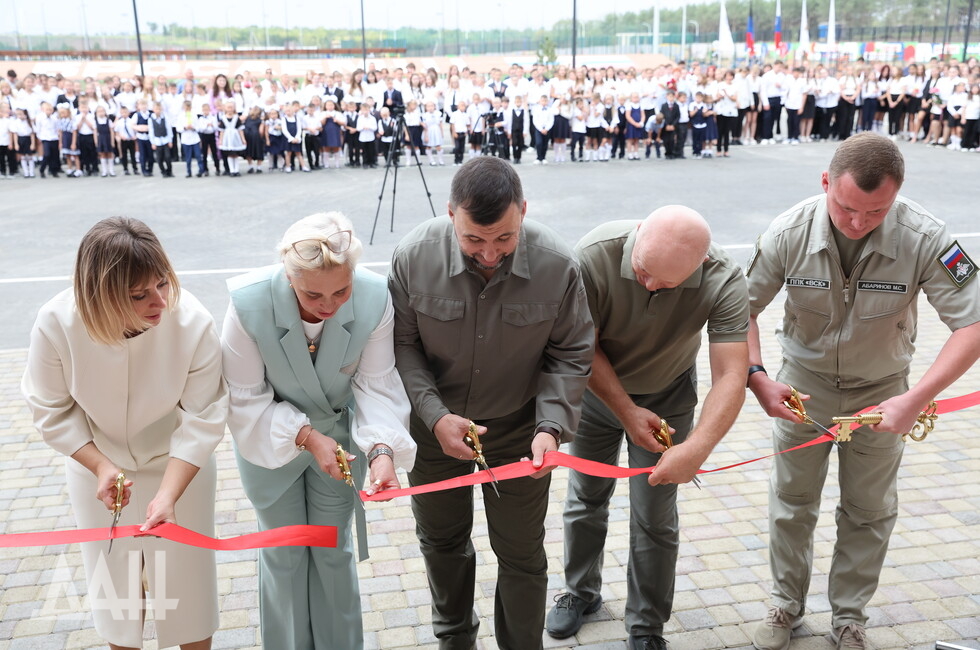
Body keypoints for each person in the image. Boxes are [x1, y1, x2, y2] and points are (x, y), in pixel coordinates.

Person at [746, 132, 980, 650]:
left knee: (869, 510)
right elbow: (739, 310)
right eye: (846, 207)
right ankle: (785, 604)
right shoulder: (788, 231)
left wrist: (915, 399)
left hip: (882, 395)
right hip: (803, 392)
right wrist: (757, 376)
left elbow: (973, 325)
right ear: (825, 182)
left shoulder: (926, 237)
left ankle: (849, 617)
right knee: (792, 501)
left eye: (876, 211)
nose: (858, 222)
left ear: (897, 194)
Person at [388, 156, 595, 650]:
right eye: (473, 239)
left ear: (524, 210)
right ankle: (455, 640)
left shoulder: (559, 265)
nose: (488, 254)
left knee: (522, 552)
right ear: (450, 214)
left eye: (504, 238)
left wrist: (550, 428)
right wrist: (434, 416)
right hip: (434, 430)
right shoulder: (413, 257)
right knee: (442, 543)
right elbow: (402, 346)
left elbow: (570, 353)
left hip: (521, 431)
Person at [547, 207, 750, 650]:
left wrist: (697, 447)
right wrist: (625, 411)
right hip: (597, 393)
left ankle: (646, 625)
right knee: (586, 495)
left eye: (666, 283)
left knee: (655, 514)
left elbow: (732, 374)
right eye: (642, 271)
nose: (650, 286)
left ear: (700, 265)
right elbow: (582, 345)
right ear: (638, 234)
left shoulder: (724, 278)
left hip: (668, 396)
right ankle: (580, 591)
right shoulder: (593, 256)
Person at [22, 217, 228, 650]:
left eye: (162, 283)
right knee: (118, 601)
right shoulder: (55, 322)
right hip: (98, 469)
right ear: (100, 295)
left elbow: (202, 418)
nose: (159, 301)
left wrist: (169, 494)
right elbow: (50, 409)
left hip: (180, 468)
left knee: (188, 596)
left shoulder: (193, 321)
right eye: (139, 295)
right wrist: (100, 466)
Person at [222, 212, 416, 650]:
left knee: (333, 550)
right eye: (313, 293)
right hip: (268, 441)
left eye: (341, 290)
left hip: (341, 444)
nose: (329, 305)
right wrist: (307, 437)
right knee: (284, 555)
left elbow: (376, 383)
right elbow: (244, 398)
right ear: (288, 276)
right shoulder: (248, 303)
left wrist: (382, 449)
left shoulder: (374, 296)